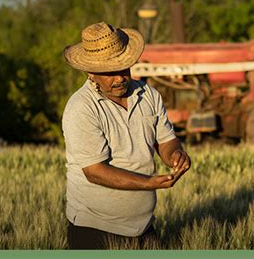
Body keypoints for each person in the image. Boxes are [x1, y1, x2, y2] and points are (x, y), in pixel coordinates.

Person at [62, 21, 191, 249]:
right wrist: (149, 183)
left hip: (143, 228)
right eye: (110, 73)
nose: (120, 78)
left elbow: (165, 139)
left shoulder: (148, 94)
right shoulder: (81, 108)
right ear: (91, 73)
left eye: (124, 68)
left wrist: (175, 155)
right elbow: (95, 172)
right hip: (94, 231)